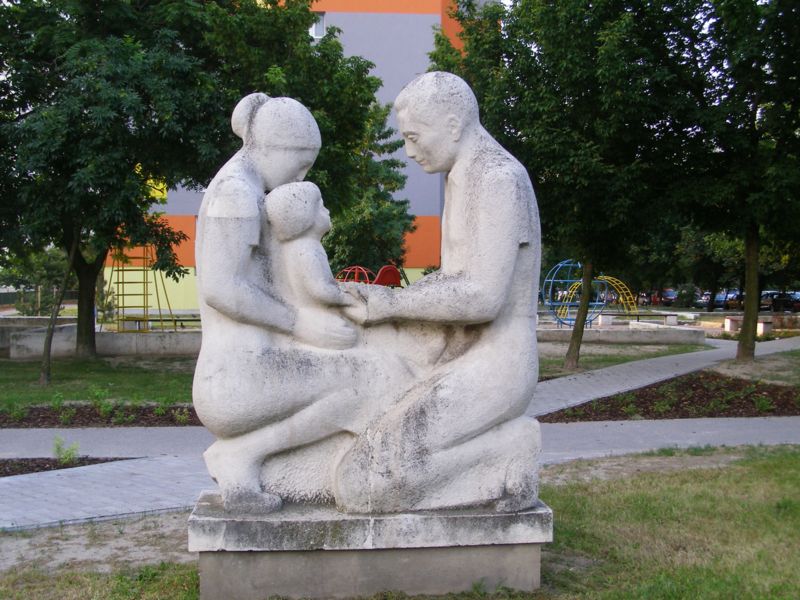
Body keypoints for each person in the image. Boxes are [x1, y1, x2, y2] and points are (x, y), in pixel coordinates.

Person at [335, 72, 543, 513]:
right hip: (452, 352)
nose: (409, 151)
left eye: (414, 137)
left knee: (361, 488)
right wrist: (382, 304)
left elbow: (484, 297)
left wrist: (392, 303)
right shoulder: (459, 177)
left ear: (452, 125)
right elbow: (453, 280)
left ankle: (509, 448)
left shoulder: (498, 178)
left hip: (496, 365)